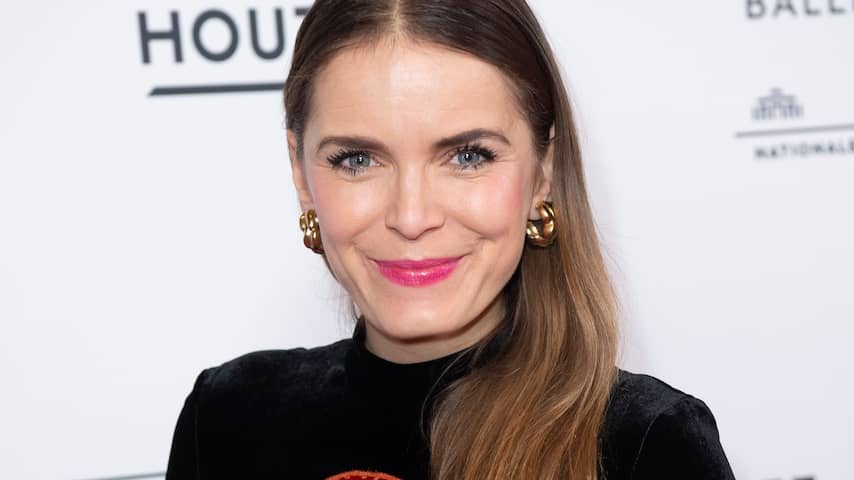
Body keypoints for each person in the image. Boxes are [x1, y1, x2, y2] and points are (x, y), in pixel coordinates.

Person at [165, 1, 736, 479]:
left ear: (542, 171)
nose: (411, 217)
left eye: (467, 156)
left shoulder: (646, 445)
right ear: (300, 172)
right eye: (357, 159)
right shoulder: (226, 420)